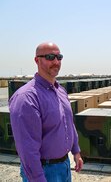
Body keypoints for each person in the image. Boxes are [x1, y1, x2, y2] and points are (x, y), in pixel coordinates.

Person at [9, 42, 83, 182]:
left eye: (59, 57)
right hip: (44, 171)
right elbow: (27, 151)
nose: (56, 62)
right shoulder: (26, 98)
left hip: (64, 166)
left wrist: (76, 152)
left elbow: (68, 123)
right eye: (50, 57)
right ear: (37, 60)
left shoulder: (60, 91)